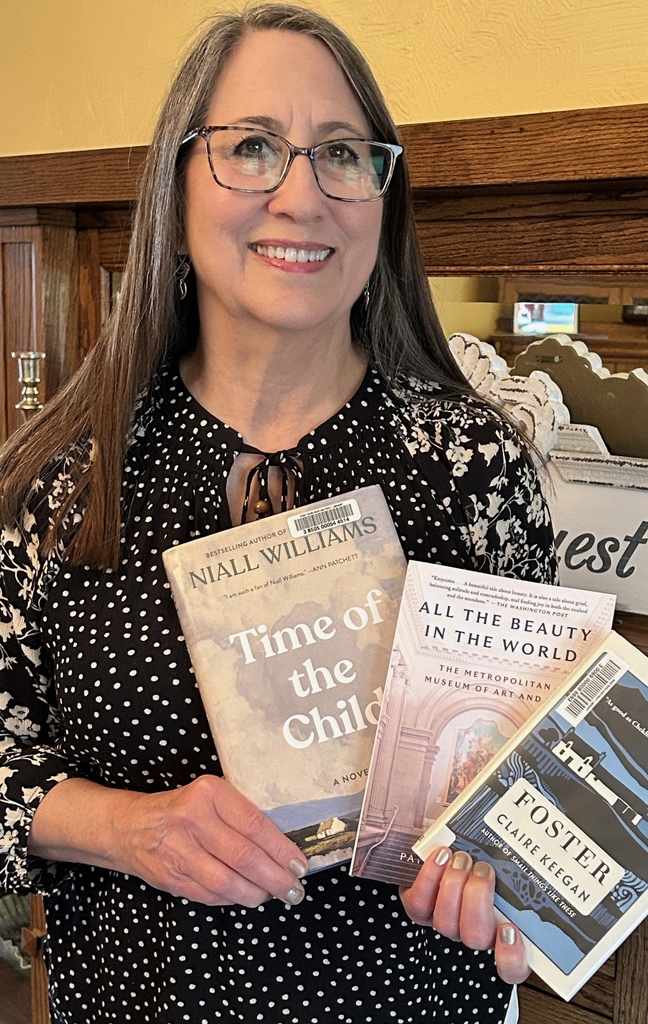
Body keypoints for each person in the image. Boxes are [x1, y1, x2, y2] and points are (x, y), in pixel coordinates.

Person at [0, 5, 557, 1022]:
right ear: (174, 185)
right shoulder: (64, 484)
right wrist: (124, 827)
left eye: (343, 153)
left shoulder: (476, 471)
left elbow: (535, 787)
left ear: (383, 197)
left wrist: (519, 902)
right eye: (252, 146)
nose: (301, 194)